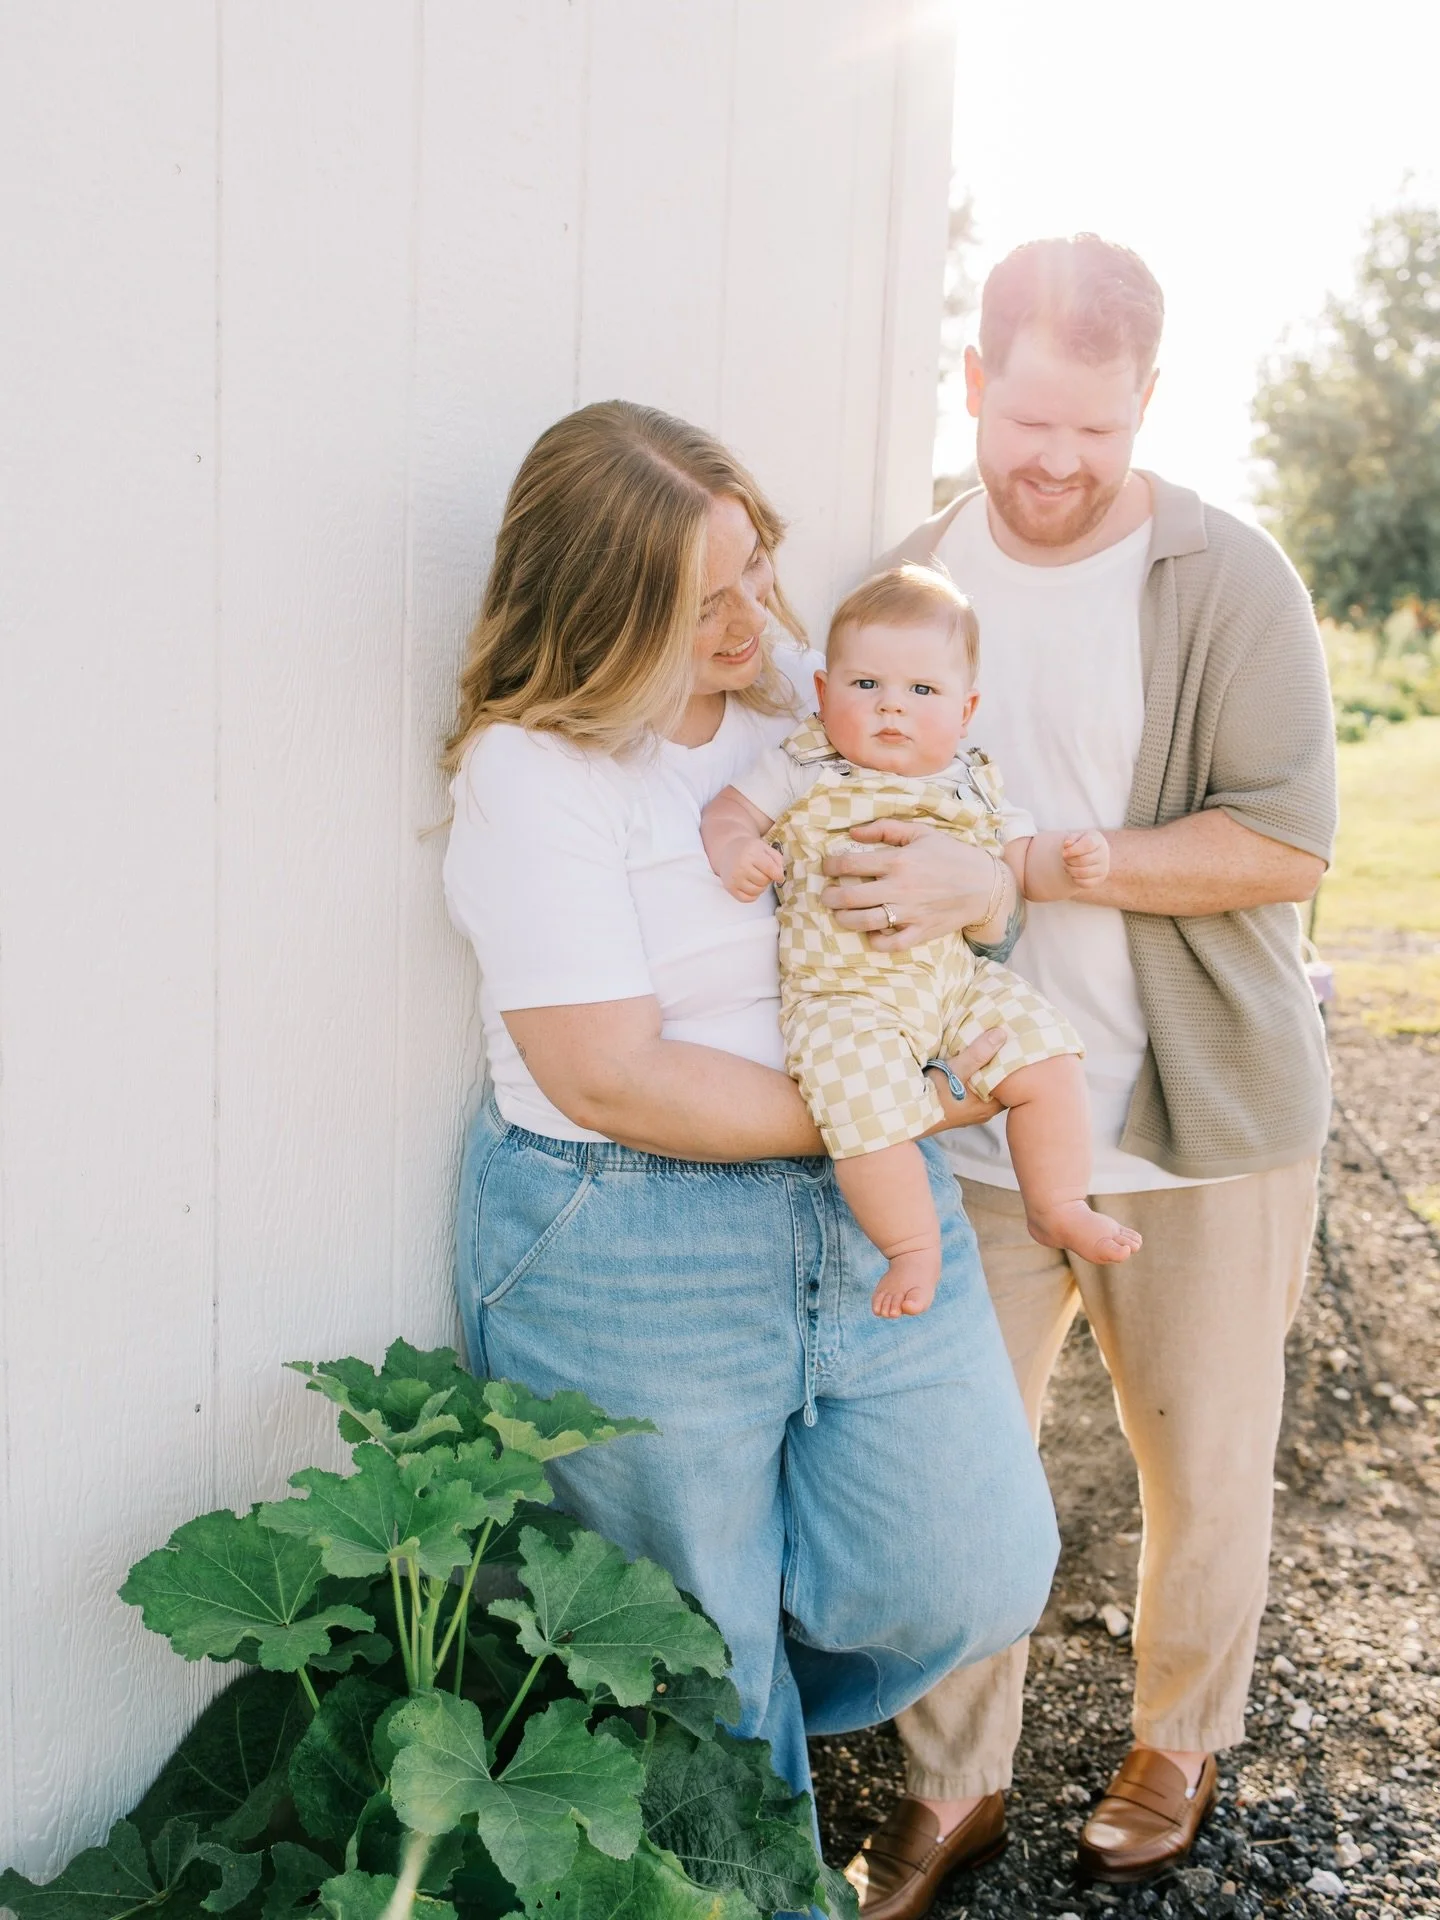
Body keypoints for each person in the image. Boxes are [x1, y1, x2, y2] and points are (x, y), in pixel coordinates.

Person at [441, 400, 1060, 1814]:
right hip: (628, 1236)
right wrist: (901, 1110)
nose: (757, 619)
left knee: (969, 1569)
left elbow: (961, 843)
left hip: (864, 1188)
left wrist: (989, 891)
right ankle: (745, 1832)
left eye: (757, 567)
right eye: (704, 603)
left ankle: (754, 1721)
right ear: (602, 608)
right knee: (696, 1665)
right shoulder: (532, 772)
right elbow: (611, 1072)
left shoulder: (803, 689)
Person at [834, 236, 1336, 1908]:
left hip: (1199, 1121)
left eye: (1097, 434)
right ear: (975, 384)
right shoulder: (908, 582)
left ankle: (1177, 1739)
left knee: (1203, 1460)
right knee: (955, 1469)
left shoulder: (1226, 576)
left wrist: (1028, 869)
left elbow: (1281, 845)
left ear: (1146, 410)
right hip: (968, 1125)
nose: (1056, 463)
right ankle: (950, 1788)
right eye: (1029, 420)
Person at [701, 564, 1140, 1320]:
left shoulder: (974, 781)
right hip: (845, 996)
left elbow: (1018, 870)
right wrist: (740, 850)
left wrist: (1069, 865)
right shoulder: (805, 764)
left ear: (966, 710)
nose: (892, 709)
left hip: (955, 983)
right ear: (823, 692)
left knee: (1047, 1052)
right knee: (860, 1102)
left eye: (922, 693)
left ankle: (1058, 1200)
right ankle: (912, 1245)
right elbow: (726, 813)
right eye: (866, 686)